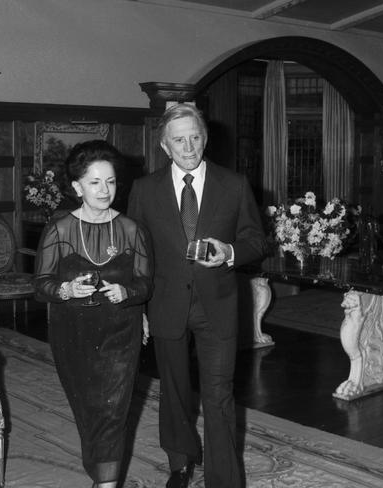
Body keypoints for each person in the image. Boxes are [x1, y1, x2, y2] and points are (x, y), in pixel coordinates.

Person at [127, 103, 267, 488]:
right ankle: (181, 461)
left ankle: (223, 480)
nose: (188, 147)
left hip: (218, 305)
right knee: (173, 391)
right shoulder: (144, 189)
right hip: (165, 303)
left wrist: (231, 253)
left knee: (219, 396)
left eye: (195, 137)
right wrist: (137, 307)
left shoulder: (234, 184)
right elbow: (136, 253)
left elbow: (256, 240)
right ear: (164, 145)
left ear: (205, 138)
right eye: (179, 140)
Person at [34, 139, 153, 488]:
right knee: (89, 412)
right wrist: (65, 290)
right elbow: (40, 285)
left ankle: (106, 483)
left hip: (120, 332)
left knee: (113, 410)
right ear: (77, 187)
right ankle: (99, 470)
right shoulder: (60, 230)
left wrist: (127, 292)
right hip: (72, 334)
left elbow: (147, 284)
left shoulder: (132, 230)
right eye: (95, 182)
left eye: (111, 181)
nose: (105, 190)